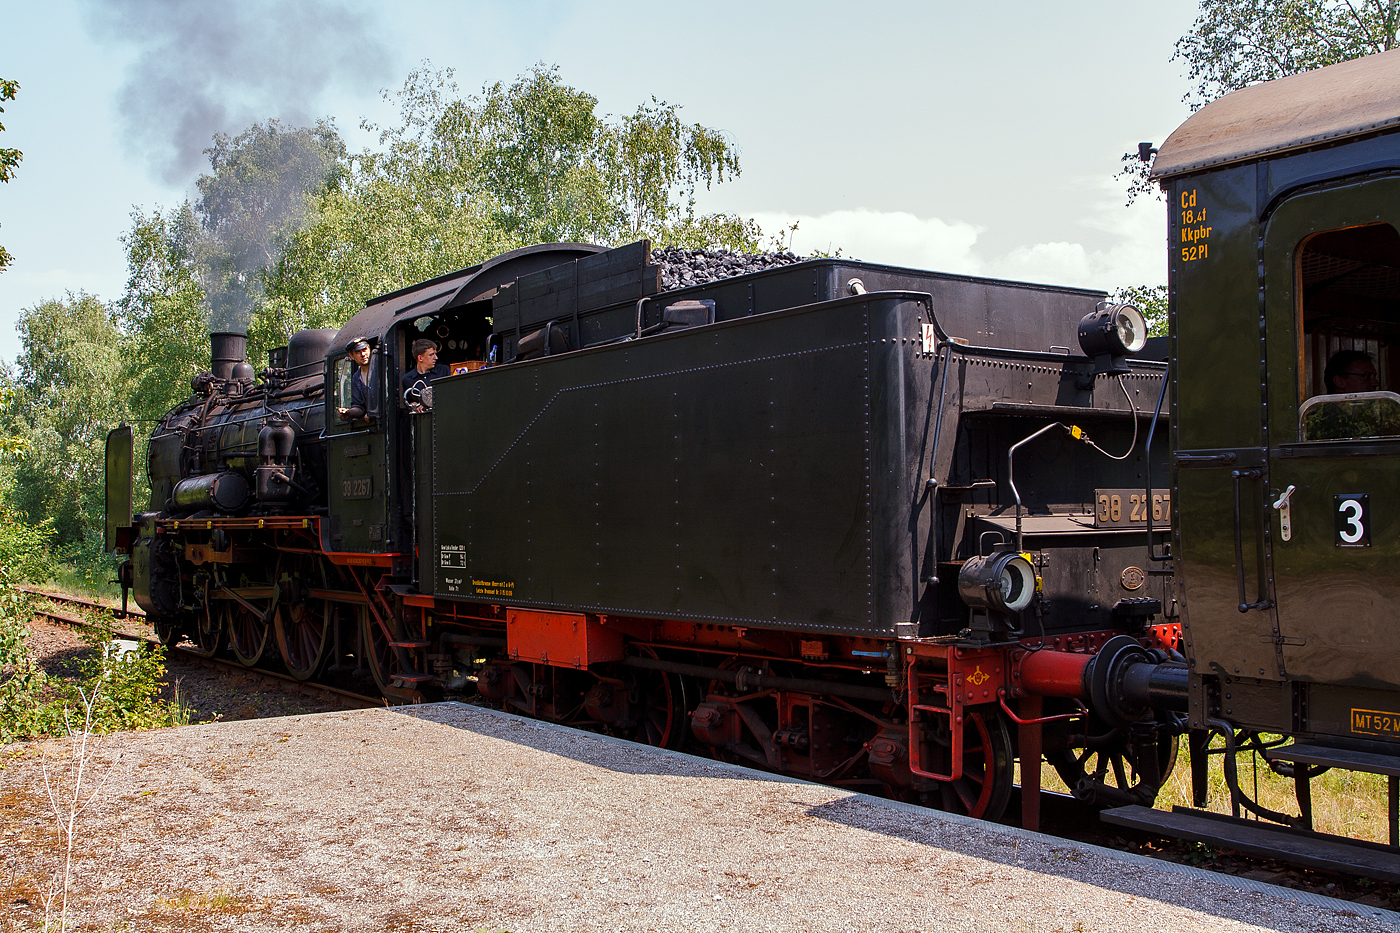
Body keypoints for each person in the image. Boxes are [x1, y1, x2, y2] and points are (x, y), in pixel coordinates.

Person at [401, 338, 449, 411]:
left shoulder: (444, 371)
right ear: (420, 358)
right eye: (431, 355)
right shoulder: (407, 379)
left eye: (435, 354)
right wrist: (415, 406)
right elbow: (409, 402)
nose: (436, 358)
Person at [338, 338, 376, 422]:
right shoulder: (356, 378)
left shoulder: (382, 370)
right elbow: (359, 407)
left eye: (364, 350)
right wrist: (348, 412)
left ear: (370, 349)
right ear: (352, 356)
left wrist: (374, 412)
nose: (362, 354)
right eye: (357, 352)